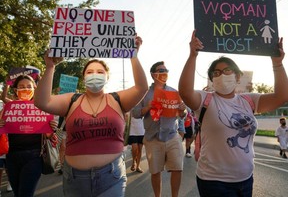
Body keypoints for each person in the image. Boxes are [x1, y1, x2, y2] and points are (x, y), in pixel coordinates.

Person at [34, 35, 148, 197]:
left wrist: (133, 56)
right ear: (84, 77)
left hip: (112, 177)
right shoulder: (72, 100)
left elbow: (142, 88)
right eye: (90, 72)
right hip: (75, 179)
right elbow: (42, 102)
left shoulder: (117, 99)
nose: (95, 74)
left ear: (107, 77)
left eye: (100, 72)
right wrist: (50, 67)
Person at [178, 30, 288, 197]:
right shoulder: (205, 99)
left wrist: (278, 64)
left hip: (246, 179)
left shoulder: (249, 100)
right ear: (212, 80)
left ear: (238, 76)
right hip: (214, 182)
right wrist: (192, 56)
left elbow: (281, 96)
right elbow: (185, 92)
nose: (222, 75)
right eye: (216, 73)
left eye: (228, 70)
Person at [132, 61, 186, 197]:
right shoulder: (143, 94)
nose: (164, 72)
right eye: (160, 70)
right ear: (153, 74)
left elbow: (182, 114)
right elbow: (135, 113)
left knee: (177, 169)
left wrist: (182, 110)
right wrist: (148, 106)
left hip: (172, 135)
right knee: (155, 171)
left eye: (165, 70)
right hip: (152, 137)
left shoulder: (174, 92)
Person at [0, 74, 58, 197]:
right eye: (21, 87)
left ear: (34, 88)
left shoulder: (42, 108)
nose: (25, 89)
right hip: (11, 158)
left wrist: (51, 129)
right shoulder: (8, 108)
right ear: (15, 90)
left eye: (28, 86)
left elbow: (49, 136)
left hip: (34, 157)